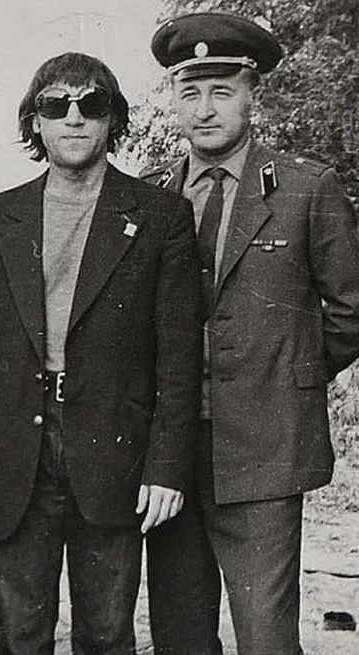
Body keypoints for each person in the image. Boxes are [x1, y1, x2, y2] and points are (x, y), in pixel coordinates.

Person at [0, 51, 202, 654]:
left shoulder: (162, 217)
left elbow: (179, 358)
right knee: (20, 633)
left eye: (93, 104)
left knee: (107, 634)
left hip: (114, 448)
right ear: (35, 122)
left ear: (114, 119)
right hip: (17, 451)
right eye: (57, 105)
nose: (75, 118)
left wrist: (166, 467)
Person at [142, 12, 359, 655]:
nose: (205, 109)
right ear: (174, 99)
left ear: (251, 94)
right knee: (180, 634)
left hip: (267, 445)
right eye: (190, 92)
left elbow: (350, 310)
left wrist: (286, 374)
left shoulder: (306, 188)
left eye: (221, 91)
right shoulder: (152, 195)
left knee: (265, 636)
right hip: (170, 451)